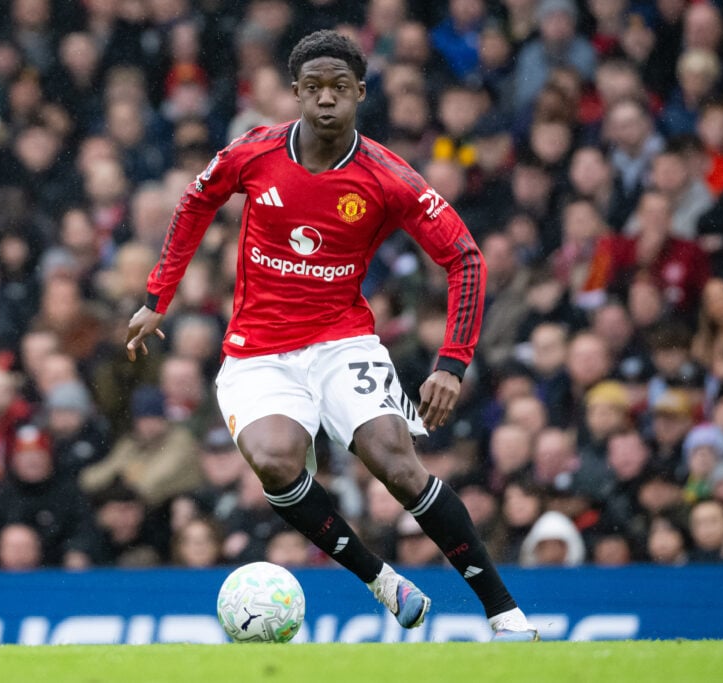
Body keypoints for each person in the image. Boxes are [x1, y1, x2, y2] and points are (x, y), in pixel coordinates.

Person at [125, 30, 537, 641]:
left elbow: (466, 258)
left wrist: (451, 362)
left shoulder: (386, 176)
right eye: (313, 88)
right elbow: (195, 199)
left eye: (339, 88)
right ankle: (380, 579)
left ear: (361, 94)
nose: (325, 99)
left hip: (342, 343)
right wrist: (159, 296)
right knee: (272, 460)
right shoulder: (255, 151)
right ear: (295, 93)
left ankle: (505, 614)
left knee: (397, 466)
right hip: (259, 351)